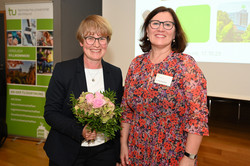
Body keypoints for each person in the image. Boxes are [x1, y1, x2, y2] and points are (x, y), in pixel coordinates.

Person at [120, 6, 209, 166]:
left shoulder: (185, 65)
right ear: (147, 31)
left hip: (172, 152)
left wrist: (189, 157)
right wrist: (123, 145)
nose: (161, 28)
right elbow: (126, 110)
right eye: (155, 23)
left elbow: (197, 116)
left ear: (175, 33)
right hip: (137, 150)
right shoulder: (136, 64)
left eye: (168, 24)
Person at [43, 15, 123, 166]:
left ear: (107, 42)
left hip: (104, 152)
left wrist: (117, 154)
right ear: (81, 41)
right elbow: (50, 113)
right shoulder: (63, 70)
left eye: (102, 38)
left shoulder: (115, 73)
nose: (96, 44)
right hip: (67, 151)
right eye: (90, 38)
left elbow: (117, 115)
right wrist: (79, 130)